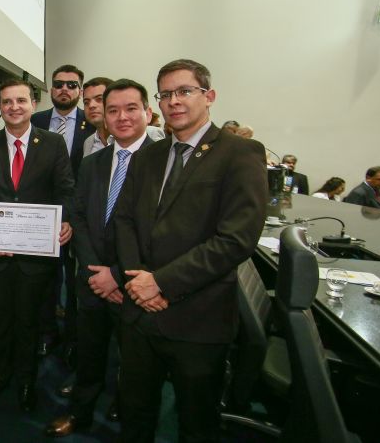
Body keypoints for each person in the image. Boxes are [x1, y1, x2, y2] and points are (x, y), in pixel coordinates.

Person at [113, 59, 267, 443]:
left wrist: (161, 283)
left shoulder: (240, 153)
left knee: (197, 425)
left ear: (209, 96)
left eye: (184, 91)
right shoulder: (147, 156)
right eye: (166, 94)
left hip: (199, 317)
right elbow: (124, 221)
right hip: (139, 314)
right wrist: (137, 282)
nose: (174, 101)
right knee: (134, 416)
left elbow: (235, 239)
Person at [45, 78, 155, 437]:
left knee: (136, 365)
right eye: (113, 110)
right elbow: (78, 216)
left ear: (147, 112)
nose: (121, 117)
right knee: (90, 354)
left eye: (131, 108)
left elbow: (161, 234)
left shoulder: (163, 163)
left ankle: (128, 418)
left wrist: (117, 275)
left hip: (136, 283)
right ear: (103, 117)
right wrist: (97, 272)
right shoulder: (93, 162)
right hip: (92, 280)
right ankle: (80, 414)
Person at [0, 79, 75, 412]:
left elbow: (65, 189)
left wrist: (66, 221)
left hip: (37, 255)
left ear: (33, 104)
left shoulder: (53, 143)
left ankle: (26, 381)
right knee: (0, 320)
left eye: (21, 100)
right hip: (0, 254)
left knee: (30, 322)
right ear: (0, 107)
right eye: (7, 102)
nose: (14, 107)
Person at [31, 64, 93, 361]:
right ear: (50, 89)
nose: (64, 89)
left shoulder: (92, 123)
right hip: (40, 218)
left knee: (75, 283)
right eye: (58, 84)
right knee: (45, 281)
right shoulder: (35, 120)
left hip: (79, 218)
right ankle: (47, 333)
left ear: (80, 90)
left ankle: (73, 338)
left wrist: (68, 217)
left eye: (71, 84)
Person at [81, 77, 114, 157]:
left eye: (99, 99)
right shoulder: (88, 143)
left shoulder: (128, 137)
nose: (91, 105)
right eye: (86, 102)